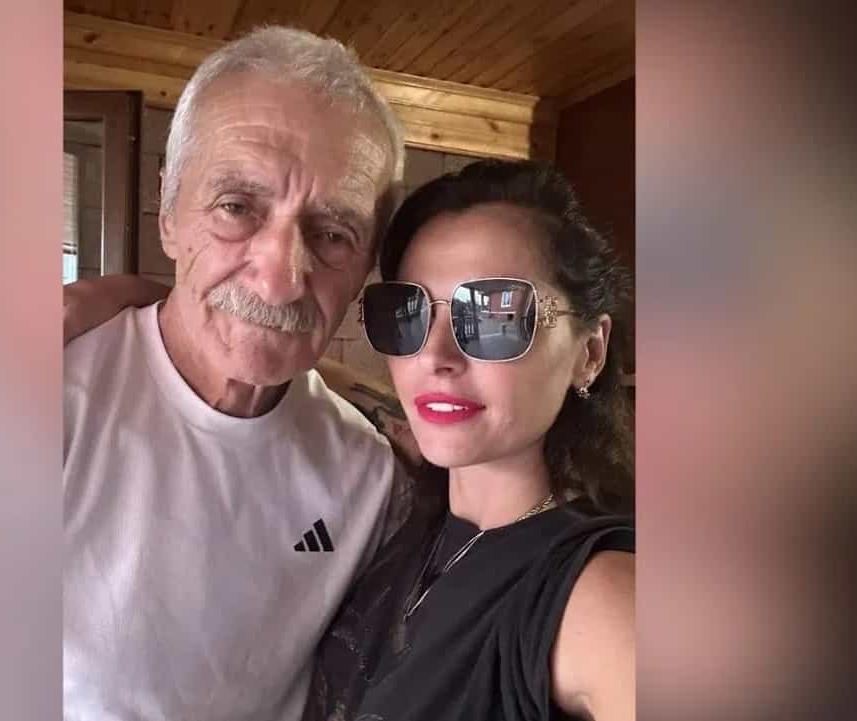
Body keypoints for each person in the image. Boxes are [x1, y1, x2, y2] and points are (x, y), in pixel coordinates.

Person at [66, 160, 636, 721]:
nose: (435, 356)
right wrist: (132, 300)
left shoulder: (602, 595)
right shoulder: (400, 511)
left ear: (589, 352)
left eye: (493, 316)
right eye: (408, 313)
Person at [62, 25, 413, 721]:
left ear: (365, 265)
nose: (281, 278)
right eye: (237, 207)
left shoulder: (371, 477)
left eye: (332, 233)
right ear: (169, 214)